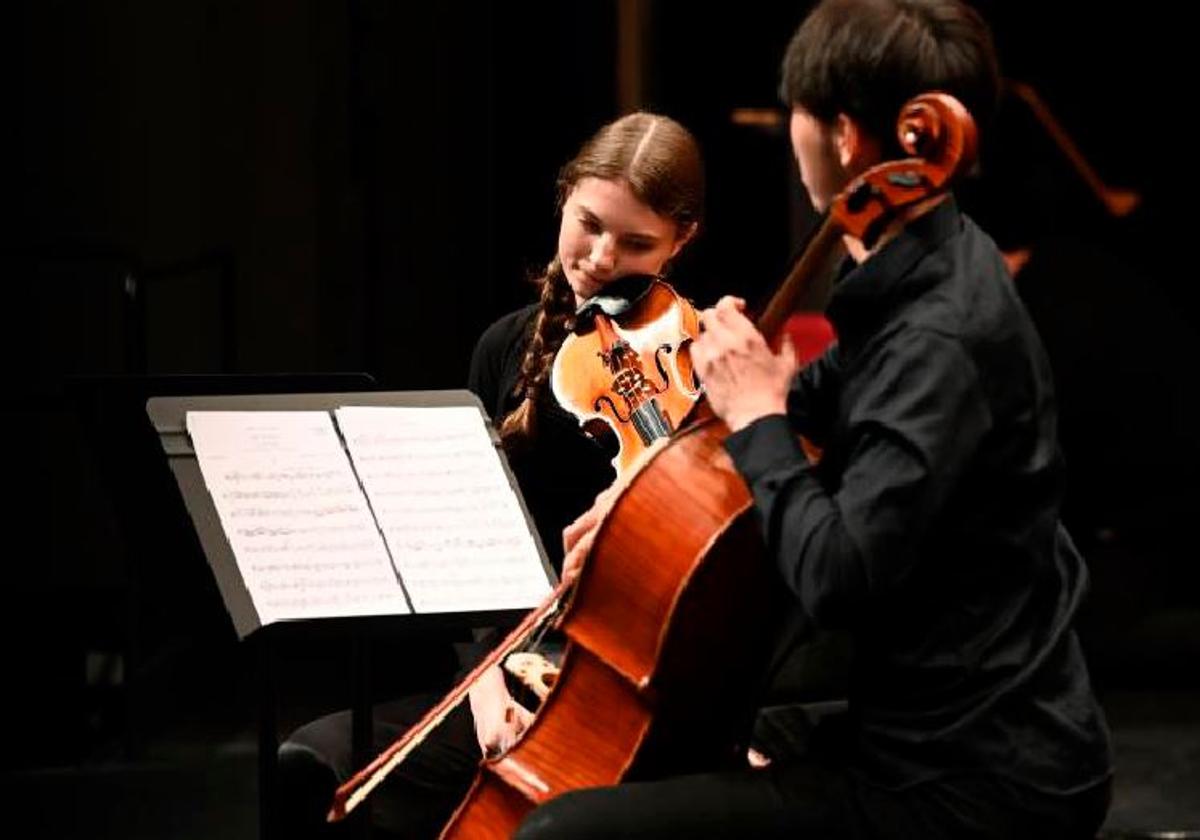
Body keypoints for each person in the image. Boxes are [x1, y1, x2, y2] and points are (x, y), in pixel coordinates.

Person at [518, 1, 1114, 838]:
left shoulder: (939, 336)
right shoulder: (930, 259)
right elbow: (808, 398)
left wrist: (758, 411)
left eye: (797, 112)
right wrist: (634, 510)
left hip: (970, 780)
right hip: (913, 726)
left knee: (562, 835)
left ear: (839, 137)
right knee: (669, 753)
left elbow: (838, 572)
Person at [274, 111, 705, 839]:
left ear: (681, 242)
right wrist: (481, 684)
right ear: (564, 197)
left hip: (644, 691)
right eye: (589, 224)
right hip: (515, 670)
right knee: (310, 763)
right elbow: (474, 556)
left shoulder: (704, 358)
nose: (600, 258)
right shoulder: (503, 348)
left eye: (637, 244)